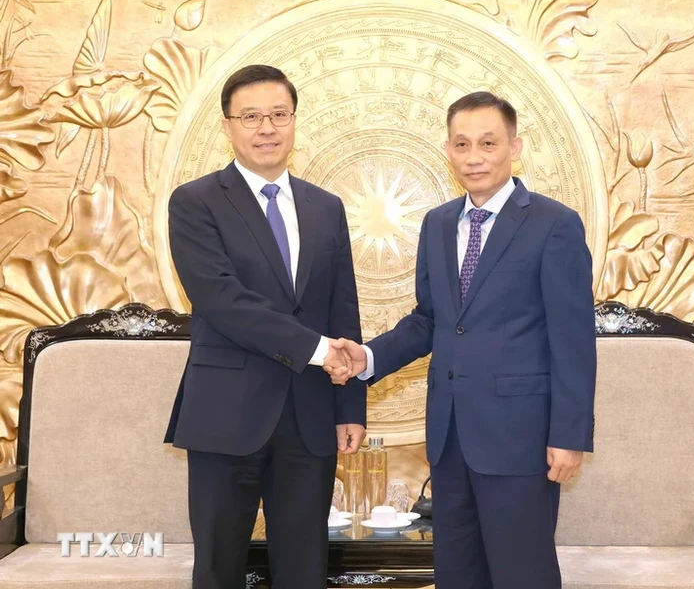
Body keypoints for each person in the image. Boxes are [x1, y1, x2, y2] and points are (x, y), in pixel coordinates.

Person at [329, 92, 596, 589]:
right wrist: (367, 357)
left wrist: (569, 436)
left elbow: (573, 339)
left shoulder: (553, 224)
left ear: (514, 148)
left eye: (488, 143)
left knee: (523, 573)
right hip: (450, 437)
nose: (474, 156)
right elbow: (430, 320)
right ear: (447, 150)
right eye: (462, 144)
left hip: (522, 437)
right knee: (457, 573)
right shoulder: (437, 223)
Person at [164, 64, 365, 589]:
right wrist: (320, 350)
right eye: (250, 116)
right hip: (225, 413)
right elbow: (222, 300)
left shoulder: (327, 208)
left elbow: (344, 308)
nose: (266, 127)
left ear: (294, 121)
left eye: (278, 114)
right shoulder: (196, 201)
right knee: (218, 566)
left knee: (303, 568)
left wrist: (351, 408)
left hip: (311, 414)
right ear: (227, 126)